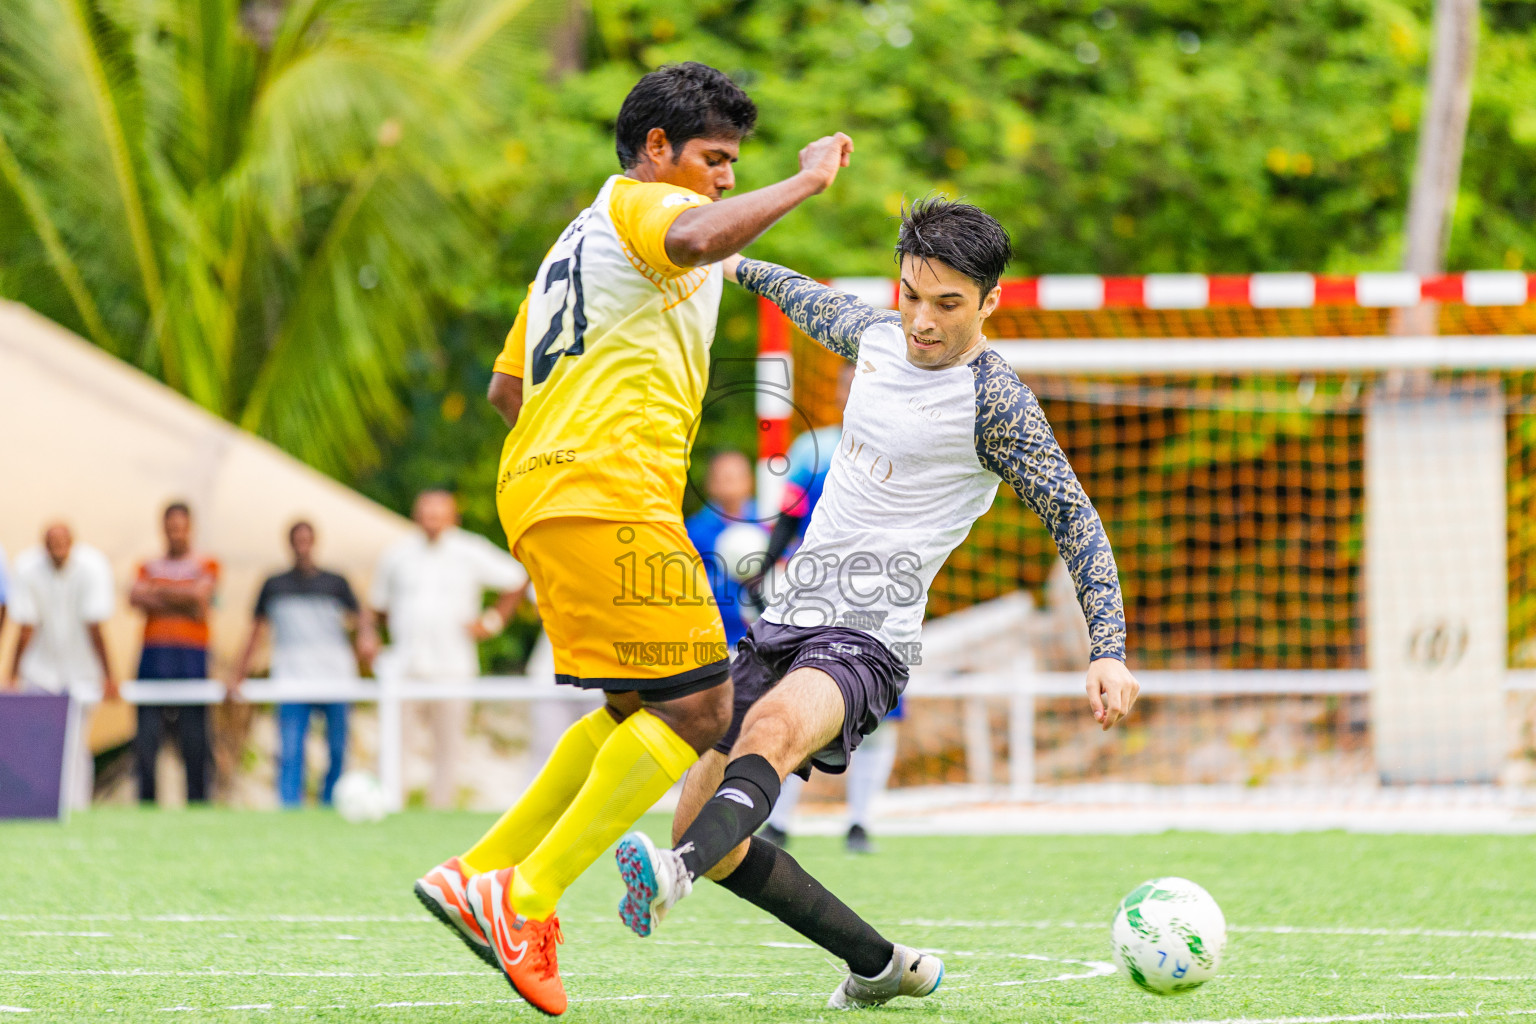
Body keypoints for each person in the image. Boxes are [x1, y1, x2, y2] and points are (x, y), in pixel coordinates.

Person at [613, 198, 1141, 1009]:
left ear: (990, 302)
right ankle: (880, 964)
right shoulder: (877, 335)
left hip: (870, 637)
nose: (923, 321)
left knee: (772, 733)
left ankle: (673, 876)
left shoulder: (996, 402)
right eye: (911, 294)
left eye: (948, 304)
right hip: (787, 617)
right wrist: (719, 259)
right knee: (707, 827)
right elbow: (792, 289)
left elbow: (1075, 517)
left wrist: (1108, 648)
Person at [410, 61, 853, 1016]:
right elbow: (693, 234)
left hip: (543, 490)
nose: (726, 177)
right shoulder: (641, 209)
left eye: (738, 162)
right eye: (714, 158)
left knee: (631, 708)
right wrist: (808, 181)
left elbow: (503, 390)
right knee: (703, 712)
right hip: (609, 494)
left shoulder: (570, 244)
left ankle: (480, 870)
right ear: (657, 150)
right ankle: (522, 898)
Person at [752, 361, 899, 854]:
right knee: (796, 701)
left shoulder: (907, 446)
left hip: (881, 599)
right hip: (813, 597)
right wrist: (762, 569)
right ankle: (779, 821)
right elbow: (788, 521)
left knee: (881, 716)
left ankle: (860, 821)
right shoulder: (811, 449)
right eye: (848, 383)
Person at [364, 490, 527, 810]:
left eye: (439, 514)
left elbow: (517, 578)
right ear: (416, 515)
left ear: (453, 517)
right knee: (394, 745)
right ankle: (388, 809)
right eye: (426, 513)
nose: (432, 520)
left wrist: (492, 622)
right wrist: (370, 636)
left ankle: (442, 811)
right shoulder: (396, 553)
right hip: (405, 668)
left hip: (453, 669)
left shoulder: (470, 549)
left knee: (449, 749)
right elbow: (376, 605)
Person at [227, 522, 373, 808]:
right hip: (291, 677)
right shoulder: (273, 584)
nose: (303, 546)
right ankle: (290, 809)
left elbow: (362, 616)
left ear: (314, 542)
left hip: (335, 677)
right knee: (291, 750)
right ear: (290, 544)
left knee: (336, 748)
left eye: (307, 540)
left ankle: (330, 804)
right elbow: (255, 632)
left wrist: (367, 638)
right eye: (297, 540)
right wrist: (238, 673)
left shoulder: (336, 582)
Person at [5, 523, 117, 809]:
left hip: (81, 671)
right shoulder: (28, 568)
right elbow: (26, 628)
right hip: (40, 670)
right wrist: (12, 674)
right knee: (37, 743)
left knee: (76, 743)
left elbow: (95, 628)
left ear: (72, 542)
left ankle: (76, 806)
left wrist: (109, 676)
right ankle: (38, 805)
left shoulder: (92, 566)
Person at [129, 502, 218, 806]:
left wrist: (158, 591)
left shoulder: (207, 563)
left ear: (189, 528)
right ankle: (146, 803)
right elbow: (135, 597)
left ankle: (198, 802)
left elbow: (200, 596)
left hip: (192, 655)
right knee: (147, 737)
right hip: (154, 655)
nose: (175, 533)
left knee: (195, 735)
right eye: (170, 527)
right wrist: (184, 595)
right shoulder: (147, 564)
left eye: (180, 527)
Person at [685, 450, 758, 650]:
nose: (730, 484)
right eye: (723, 477)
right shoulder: (694, 530)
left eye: (736, 476)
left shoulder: (768, 523)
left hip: (763, 639)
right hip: (715, 639)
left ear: (750, 481)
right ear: (710, 484)